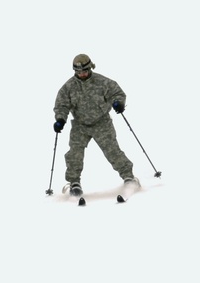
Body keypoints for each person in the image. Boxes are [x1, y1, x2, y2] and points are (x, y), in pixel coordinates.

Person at [52, 54, 137, 197]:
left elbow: (117, 93)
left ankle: (128, 177)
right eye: (79, 72)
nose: (82, 74)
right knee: (74, 154)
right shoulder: (69, 87)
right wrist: (60, 119)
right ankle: (74, 183)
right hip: (80, 125)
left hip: (101, 122)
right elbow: (61, 105)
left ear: (90, 67)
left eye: (84, 71)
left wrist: (118, 103)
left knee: (112, 150)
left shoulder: (102, 82)